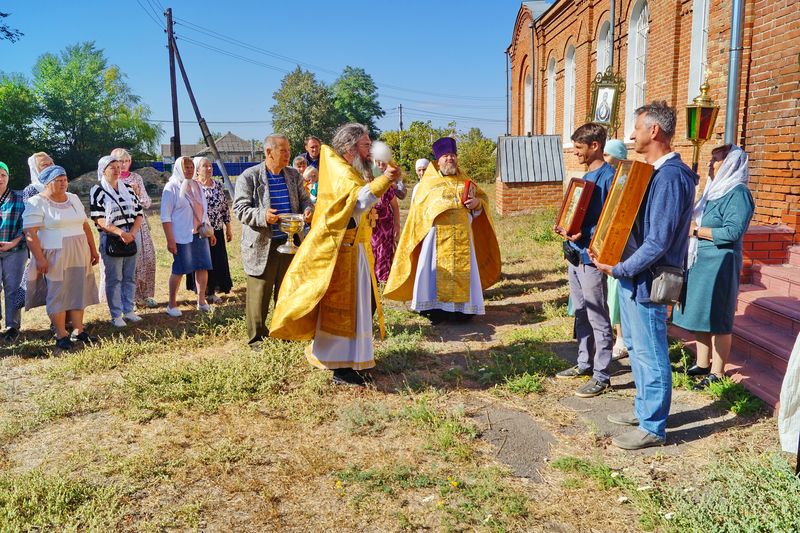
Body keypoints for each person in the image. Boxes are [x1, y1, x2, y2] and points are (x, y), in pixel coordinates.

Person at [590, 101, 697, 450]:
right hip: (634, 277)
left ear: (654, 131)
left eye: (636, 128)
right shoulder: (653, 173)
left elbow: (658, 241)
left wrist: (620, 268)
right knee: (636, 348)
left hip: (649, 280)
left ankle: (653, 426)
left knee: (651, 352)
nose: (631, 135)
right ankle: (644, 410)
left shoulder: (670, 177)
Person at [270, 123, 400, 385]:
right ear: (350, 148)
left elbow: (357, 207)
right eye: (365, 145)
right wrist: (385, 179)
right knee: (344, 308)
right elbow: (358, 202)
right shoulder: (341, 171)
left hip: (356, 250)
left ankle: (355, 358)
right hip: (343, 253)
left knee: (360, 306)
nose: (369, 151)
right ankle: (338, 364)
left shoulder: (345, 169)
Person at [384, 137, 501, 324]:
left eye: (453, 155)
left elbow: (482, 202)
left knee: (463, 272)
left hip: (463, 235)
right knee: (432, 272)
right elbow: (419, 212)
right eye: (446, 156)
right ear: (438, 160)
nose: (450, 159)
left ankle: (462, 311)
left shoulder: (466, 181)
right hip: (435, 238)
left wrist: (477, 204)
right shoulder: (427, 184)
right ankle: (434, 309)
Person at [672, 144, 755, 388]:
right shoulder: (713, 190)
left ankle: (717, 373)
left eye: (716, 160)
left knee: (718, 317)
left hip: (720, 263)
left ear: (730, 164)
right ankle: (702, 363)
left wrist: (696, 231)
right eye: (710, 159)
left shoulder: (738, 193)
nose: (710, 164)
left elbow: (732, 231)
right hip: (700, 261)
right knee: (701, 313)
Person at [553, 123, 615, 398]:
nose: (575, 152)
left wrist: (584, 233)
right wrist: (565, 225)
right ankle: (583, 363)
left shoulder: (608, 177)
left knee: (597, 314)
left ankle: (602, 375)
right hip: (574, 254)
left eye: (579, 147)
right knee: (580, 310)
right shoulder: (586, 175)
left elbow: (609, 219)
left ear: (595, 146)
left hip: (590, 257)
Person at [233, 134, 313, 345]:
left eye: (288, 150)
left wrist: (307, 211)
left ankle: (284, 331)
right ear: (269, 152)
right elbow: (239, 209)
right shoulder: (249, 176)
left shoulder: (294, 175)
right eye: (283, 150)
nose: (288, 154)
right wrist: (262, 216)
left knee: (287, 290)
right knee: (259, 294)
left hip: (290, 243)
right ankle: (257, 338)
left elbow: (305, 200)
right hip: (262, 243)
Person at [22, 165, 100, 350]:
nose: (63, 183)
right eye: (58, 180)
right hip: (54, 252)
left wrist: (93, 249)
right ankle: (61, 334)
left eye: (65, 179)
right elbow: (30, 233)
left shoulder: (72, 198)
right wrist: (40, 258)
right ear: (48, 183)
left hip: (79, 251)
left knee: (77, 288)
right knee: (57, 292)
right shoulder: (37, 201)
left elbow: (85, 225)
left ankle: (78, 330)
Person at [90, 155, 144, 327]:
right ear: (103, 170)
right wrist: (120, 232)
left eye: (118, 166)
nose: (117, 169)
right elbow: (98, 218)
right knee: (114, 278)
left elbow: (139, 213)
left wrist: (132, 233)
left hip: (131, 236)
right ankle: (116, 314)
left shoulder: (128, 188)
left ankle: (129, 310)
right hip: (112, 237)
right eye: (112, 166)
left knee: (129, 276)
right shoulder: (97, 190)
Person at [160, 156, 216, 317]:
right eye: (186, 167)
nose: (190, 170)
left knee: (202, 266)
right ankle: (171, 304)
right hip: (181, 236)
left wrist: (209, 231)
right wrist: (170, 240)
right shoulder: (171, 187)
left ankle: (201, 301)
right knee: (179, 269)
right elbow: (165, 217)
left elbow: (202, 210)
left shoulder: (197, 186)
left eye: (192, 167)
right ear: (178, 168)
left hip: (200, 234)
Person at [113, 148, 158, 309]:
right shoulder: (111, 180)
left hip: (140, 225)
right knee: (130, 263)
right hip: (121, 226)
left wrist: (138, 193)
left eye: (126, 161)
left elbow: (147, 203)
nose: (123, 165)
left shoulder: (136, 178)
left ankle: (145, 296)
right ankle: (128, 298)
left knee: (147, 259)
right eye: (119, 161)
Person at [186, 156, 233, 303]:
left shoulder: (218, 185)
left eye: (210, 166)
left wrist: (228, 228)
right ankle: (204, 291)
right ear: (197, 170)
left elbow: (225, 208)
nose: (209, 168)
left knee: (216, 260)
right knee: (203, 262)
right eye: (205, 166)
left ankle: (213, 290)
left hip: (216, 229)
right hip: (200, 231)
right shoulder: (193, 186)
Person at [602, 139, 633, 360]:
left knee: (617, 294)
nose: (604, 160)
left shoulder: (624, 179)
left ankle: (621, 339)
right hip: (607, 243)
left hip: (621, 245)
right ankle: (615, 335)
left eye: (607, 155)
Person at [0, 162, 27, 342]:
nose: (0, 179)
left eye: (3, 175)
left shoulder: (19, 197)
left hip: (15, 249)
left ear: (8, 177)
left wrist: (12, 242)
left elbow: (26, 224)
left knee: (13, 287)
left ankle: (12, 326)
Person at [369, 145, 401, 283]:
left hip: (386, 225)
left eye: (383, 161)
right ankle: (371, 279)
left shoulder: (388, 184)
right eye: (378, 161)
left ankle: (383, 279)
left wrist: (397, 225)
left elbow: (395, 207)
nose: (380, 164)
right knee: (371, 250)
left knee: (384, 251)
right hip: (371, 224)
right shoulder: (368, 184)